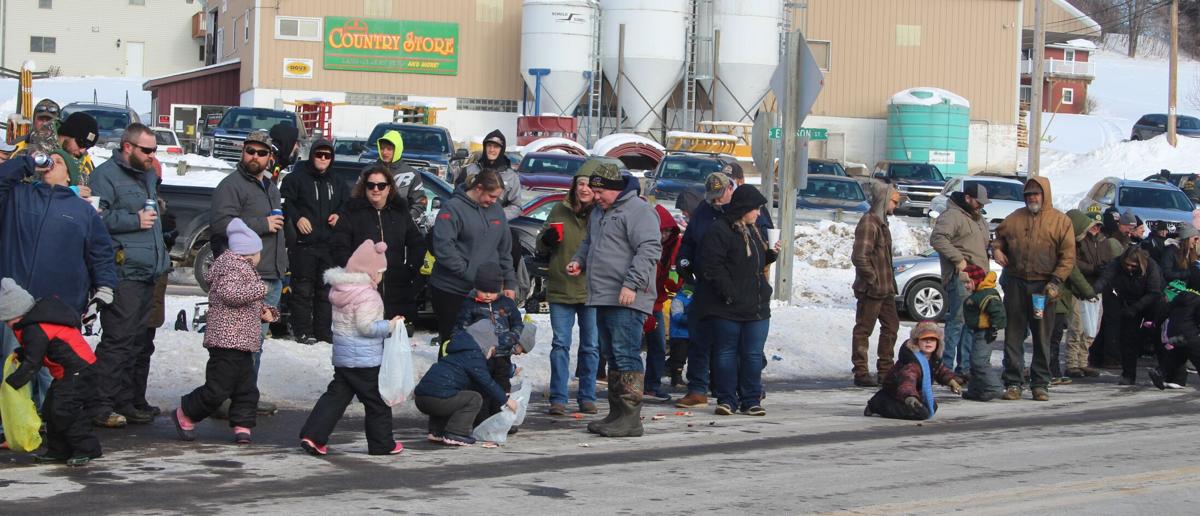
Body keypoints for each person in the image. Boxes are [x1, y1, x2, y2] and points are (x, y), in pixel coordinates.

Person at [569, 161, 661, 438]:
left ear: (616, 189)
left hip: (627, 296)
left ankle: (630, 419)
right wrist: (579, 260)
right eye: (594, 191)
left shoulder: (638, 211)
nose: (595, 197)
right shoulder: (600, 212)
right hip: (603, 293)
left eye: (601, 192)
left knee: (625, 352)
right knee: (611, 354)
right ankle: (617, 413)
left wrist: (631, 284)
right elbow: (589, 242)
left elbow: (649, 249)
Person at [88, 123, 170, 428]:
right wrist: (133, 220)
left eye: (154, 150)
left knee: (138, 341)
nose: (152, 156)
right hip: (123, 271)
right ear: (127, 147)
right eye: (147, 150)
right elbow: (95, 217)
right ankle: (99, 405)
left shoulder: (146, 175)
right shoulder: (105, 176)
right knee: (118, 340)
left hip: (148, 270)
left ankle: (126, 401)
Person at [172, 219, 279, 444]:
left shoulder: (245, 269)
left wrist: (265, 311)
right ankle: (186, 412)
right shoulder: (230, 267)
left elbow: (246, 300)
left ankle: (243, 425)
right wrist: (259, 289)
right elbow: (231, 295)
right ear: (249, 254)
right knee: (218, 389)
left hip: (244, 342)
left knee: (246, 389)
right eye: (258, 252)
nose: (260, 257)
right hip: (225, 341)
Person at [298, 240, 405, 457]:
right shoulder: (368, 296)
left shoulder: (342, 290)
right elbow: (367, 327)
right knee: (377, 402)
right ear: (370, 271)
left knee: (336, 397)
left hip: (344, 357)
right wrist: (390, 325)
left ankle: (313, 435)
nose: (381, 277)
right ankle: (382, 444)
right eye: (380, 272)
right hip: (365, 360)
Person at [210, 130, 287, 416]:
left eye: (261, 152)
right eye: (250, 150)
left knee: (255, 343)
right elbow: (221, 224)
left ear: (270, 157)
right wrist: (263, 224)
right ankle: (223, 399)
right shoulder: (231, 185)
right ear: (243, 152)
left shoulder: (270, 186)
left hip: (270, 273)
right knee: (234, 344)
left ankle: (245, 399)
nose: (255, 156)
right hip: (244, 276)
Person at [694, 185, 778, 416]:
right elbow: (712, 266)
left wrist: (770, 254)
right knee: (726, 353)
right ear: (743, 208)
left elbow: (752, 264)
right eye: (756, 209)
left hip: (756, 306)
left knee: (753, 355)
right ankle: (727, 399)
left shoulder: (753, 230)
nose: (759, 213)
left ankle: (751, 399)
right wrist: (729, 293)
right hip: (727, 306)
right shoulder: (720, 230)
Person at [0, 278, 102, 467]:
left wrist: (12, 383)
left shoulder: (34, 328)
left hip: (79, 370)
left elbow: (33, 362)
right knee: (50, 410)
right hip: (67, 372)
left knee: (65, 410)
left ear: (18, 312)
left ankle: (87, 448)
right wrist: (21, 354)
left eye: (9, 320)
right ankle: (58, 450)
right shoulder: (33, 322)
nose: (8, 324)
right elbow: (38, 349)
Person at [992, 176, 1075, 402]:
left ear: (1045, 195)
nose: (1032, 198)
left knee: (1041, 336)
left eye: (1036, 194)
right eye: (1028, 195)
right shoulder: (1015, 218)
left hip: (1044, 286)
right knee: (1013, 334)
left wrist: (1056, 281)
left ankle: (1040, 384)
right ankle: (1013, 382)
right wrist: (997, 250)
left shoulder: (1061, 221)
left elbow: (1068, 256)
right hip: (1016, 283)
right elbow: (998, 238)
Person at [537, 164, 599, 416]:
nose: (584, 189)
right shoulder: (559, 209)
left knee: (590, 346)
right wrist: (546, 240)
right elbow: (541, 244)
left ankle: (587, 397)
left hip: (591, 289)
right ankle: (558, 399)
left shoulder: (602, 213)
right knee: (560, 344)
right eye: (580, 184)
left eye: (589, 185)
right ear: (574, 186)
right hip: (561, 285)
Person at [331, 165, 426, 326]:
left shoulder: (400, 213)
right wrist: (355, 273)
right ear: (364, 187)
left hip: (396, 289)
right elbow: (339, 246)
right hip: (361, 291)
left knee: (394, 337)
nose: (376, 189)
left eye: (381, 185)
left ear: (389, 188)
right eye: (371, 185)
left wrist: (409, 269)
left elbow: (417, 243)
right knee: (365, 336)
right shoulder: (351, 213)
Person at [429, 169, 515, 347]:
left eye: (497, 197)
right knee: (453, 344)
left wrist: (509, 282)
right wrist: (469, 273)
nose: (494, 201)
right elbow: (444, 248)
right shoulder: (453, 208)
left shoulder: (497, 210)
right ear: (478, 188)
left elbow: (504, 250)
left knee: (484, 344)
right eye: (491, 196)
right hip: (451, 289)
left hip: (485, 291)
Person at [674, 172, 736, 408]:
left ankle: (729, 388)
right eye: (712, 196)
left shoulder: (741, 209)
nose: (716, 200)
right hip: (703, 284)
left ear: (730, 189)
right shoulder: (703, 210)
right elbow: (689, 241)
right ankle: (697, 388)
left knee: (728, 341)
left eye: (720, 195)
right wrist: (684, 260)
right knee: (699, 337)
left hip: (731, 285)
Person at [281, 138, 348, 344]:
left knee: (325, 291)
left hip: (328, 245)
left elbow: (347, 204)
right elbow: (286, 202)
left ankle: (323, 332)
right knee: (302, 290)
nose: (323, 159)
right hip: (304, 244)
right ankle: (302, 330)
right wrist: (297, 218)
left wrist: (339, 215)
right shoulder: (296, 178)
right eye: (319, 154)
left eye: (327, 155)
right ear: (312, 155)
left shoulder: (337, 182)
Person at [449, 262, 527, 424]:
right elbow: (461, 328)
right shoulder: (470, 305)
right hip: (480, 356)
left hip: (502, 355)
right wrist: (462, 346)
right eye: (484, 291)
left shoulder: (507, 303)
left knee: (502, 387)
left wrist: (512, 338)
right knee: (481, 387)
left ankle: (501, 419)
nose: (488, 295)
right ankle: (482, 421)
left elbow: (517, 324)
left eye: (492, 292)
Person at [414, 325, 517, 447]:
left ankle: (436, 432)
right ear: (485, 344)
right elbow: (486, 382)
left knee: (451, 393)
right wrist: (505, 399)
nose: (492, 352)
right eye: (492, 348)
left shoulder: (457, 353)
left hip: (421, 399)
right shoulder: (474, 357)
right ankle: (456, 433)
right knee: (474, 398)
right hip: (437, 400)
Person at [929, 182, 992, 381]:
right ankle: (945, 368)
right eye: (978, 202)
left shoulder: (978, 218)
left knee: (970, 323)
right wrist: (958, 259)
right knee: (957, 322)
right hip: (960, 277)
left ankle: (963, 368)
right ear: (967, 198)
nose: (981, 206)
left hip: (978, 278)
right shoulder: (952, 215)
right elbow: (937, 239)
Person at [849, 180, 901, 387]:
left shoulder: (881, 223)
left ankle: (886, 371)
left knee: (891, 326)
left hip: (885, 289)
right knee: (864, 329)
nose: (896, 205)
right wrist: (872, 279)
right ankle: (861, 372)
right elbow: (860, 256)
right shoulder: (869, 223)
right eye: (894, 201)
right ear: (884, 200)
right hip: (872, 289)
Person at [1091, 246, 1164, 385]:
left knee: (1157, 338)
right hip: (1128, 301)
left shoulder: (1151, 266)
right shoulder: (1116, 264)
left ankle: (1164, 372)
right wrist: (1092, 291)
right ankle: (1128, 375)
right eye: (1127, 265)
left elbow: (1154, 292)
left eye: (1133, 266)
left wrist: (1136, 308)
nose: (1129, 268)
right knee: (1128, 339)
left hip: (1151, 303)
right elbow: (1105, 279)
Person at [864, 322, 961, 420]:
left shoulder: (933, 358)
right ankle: (878, 404)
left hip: (914, 392)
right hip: (897, 393)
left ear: (938, 342)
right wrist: (910, 397)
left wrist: (952, 381)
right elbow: (908, 380)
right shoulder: (912, 362)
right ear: (916, 341)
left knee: (932, 406)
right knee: (921, 414)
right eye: (924, 339)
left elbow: (941, 371)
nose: (928, 342)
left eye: (932, 339)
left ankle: (905, 402)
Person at [1068, 210, 1121, 378]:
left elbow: (1112, 262)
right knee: (1077, 327)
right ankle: (1072, 363)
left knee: (1092, 329)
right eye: (1093, 225)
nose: (1096, 228)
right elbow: (1073, 262)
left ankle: (1083, 362)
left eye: (1099, 225)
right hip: (1079, 289)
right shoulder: (1079, 241)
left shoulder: (1104, 242)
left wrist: (1106, 270)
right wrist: (1093, 269)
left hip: (1097, 289)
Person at [644, 203, 683, 402]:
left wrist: (674, 283)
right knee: (630, 347)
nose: (664, 235)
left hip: (657, 303)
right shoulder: (644, 244)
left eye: (668, 231)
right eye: (662, 231)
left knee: (658, 345)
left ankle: (652, 385)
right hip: (639, 302)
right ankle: (630, 385)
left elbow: (677, 274)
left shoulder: (672, 249)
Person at [961, 265, 1005, 401]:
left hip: (985, 333)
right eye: (964, 283)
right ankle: (976, 389)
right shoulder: (979, 293)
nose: (966, 286)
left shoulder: (987, 294)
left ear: (976, 280)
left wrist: (993, 328)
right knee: (974, 361)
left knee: (979, 362)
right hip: (978, 331)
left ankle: (994, 388)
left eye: (968, 282)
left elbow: (998, 312)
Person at [1151, 268, 1200, 390]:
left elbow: (1167, 309)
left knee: (1177, 355)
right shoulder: (1197, 299)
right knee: (1197, 355)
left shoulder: (1181, 295)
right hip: (1189, 332)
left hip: (1173, 330)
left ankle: (1160, 372)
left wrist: (1155, 323)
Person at [457, 130, 521, 221]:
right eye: (489, 146)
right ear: (484, 147)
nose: (491, 150)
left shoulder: (512, 177)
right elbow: (457, 196)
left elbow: (516, 206)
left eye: (496, 147)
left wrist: (495, 216)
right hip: (468, 221)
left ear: (502, 149)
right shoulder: (468, 170)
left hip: (494, 224)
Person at [363, 129, 424, 210]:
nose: (384, 152)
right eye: (382, 148)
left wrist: (408, 217)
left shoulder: (412, 174)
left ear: (397, 149)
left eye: (389, 149)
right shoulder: (368, 171)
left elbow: (420, 202)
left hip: (400, 217)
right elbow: (356, 198)